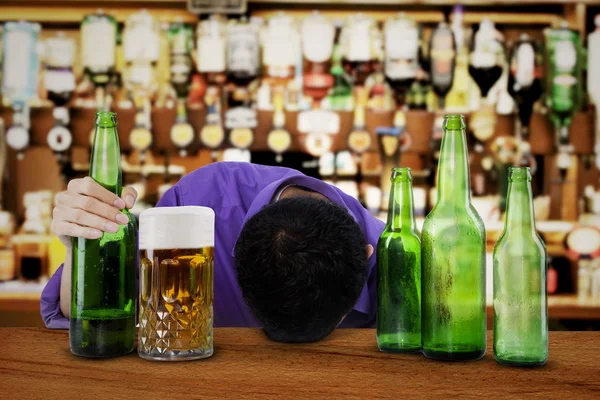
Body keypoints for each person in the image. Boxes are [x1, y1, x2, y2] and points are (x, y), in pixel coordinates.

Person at [41, 162, 385, 343]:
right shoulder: (198, 203)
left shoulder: (395, 261)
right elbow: (85, 314)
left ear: (367, 255)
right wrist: (80, 249)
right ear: (235, 254)